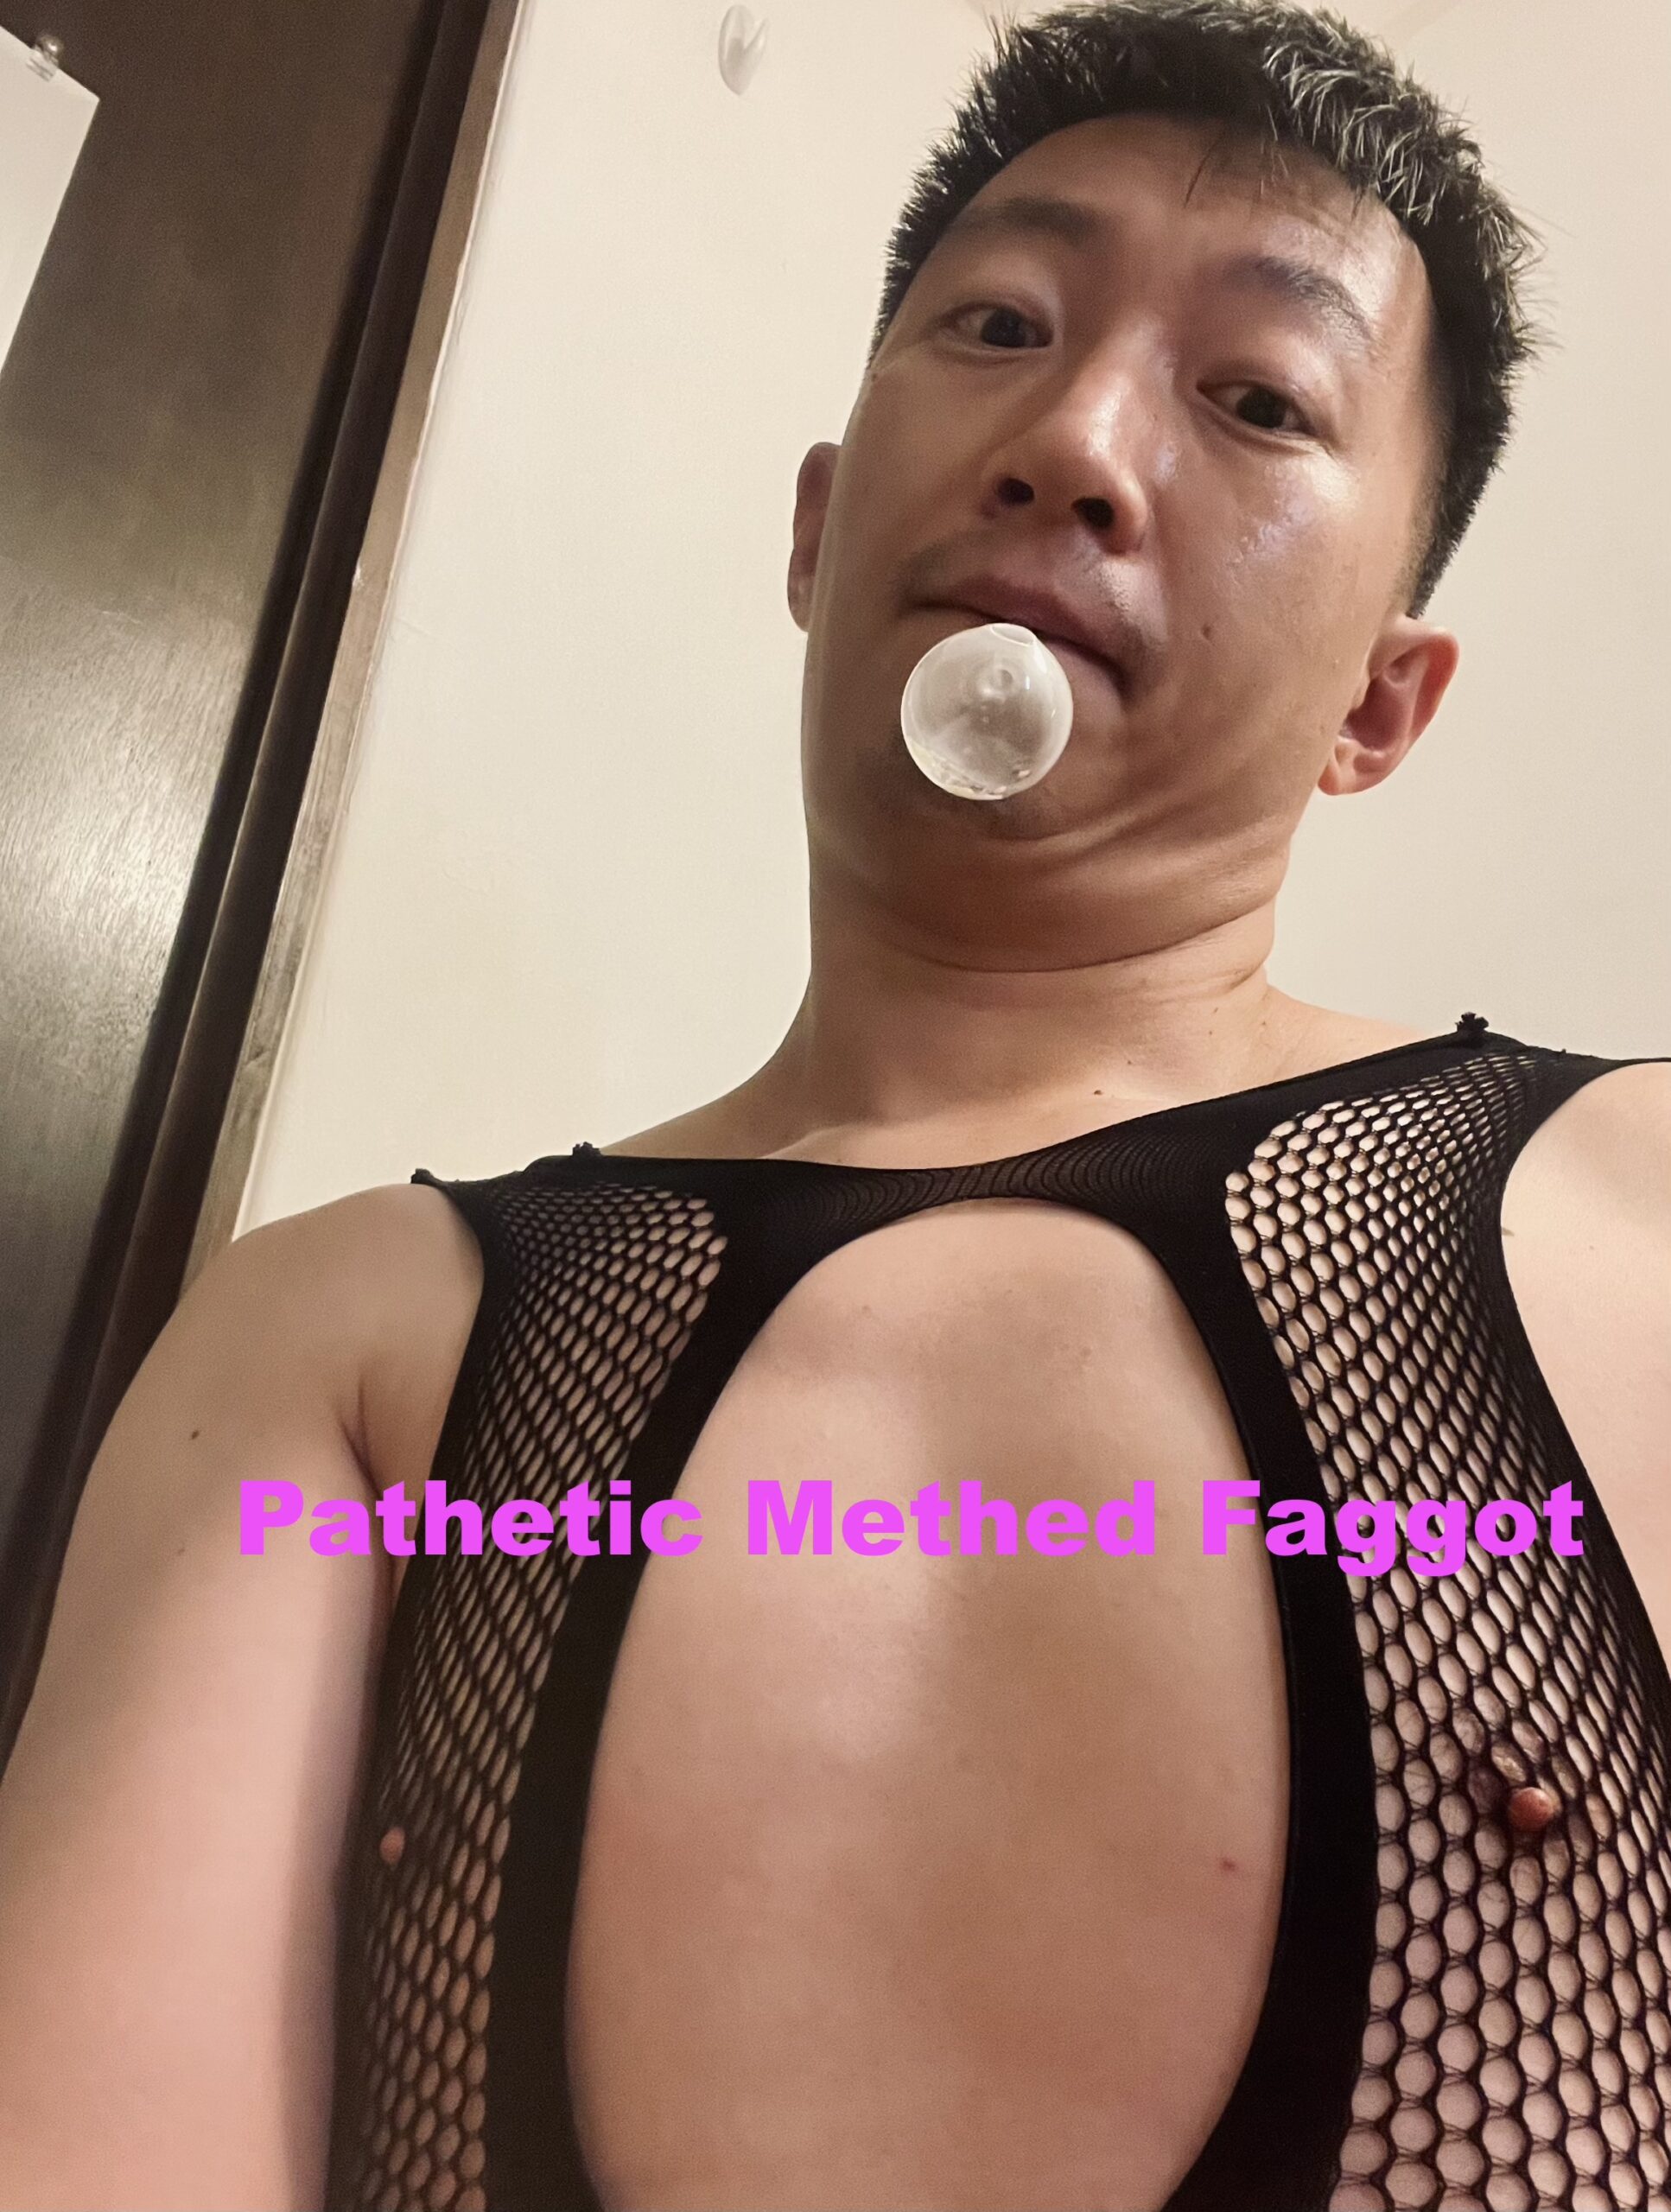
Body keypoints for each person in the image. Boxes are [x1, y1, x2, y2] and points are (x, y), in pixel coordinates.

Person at [1, 3, 1668, 2209]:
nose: (1071, 440)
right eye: (1000, 325)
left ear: (1381, 699)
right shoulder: (340, 1340)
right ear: (812, 530)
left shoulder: (1642, 1207)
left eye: (1258, 397)